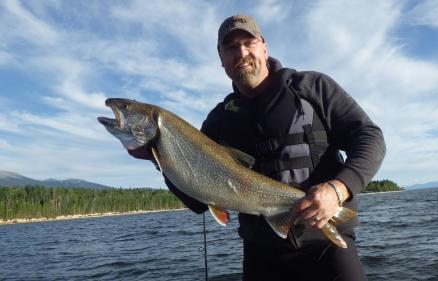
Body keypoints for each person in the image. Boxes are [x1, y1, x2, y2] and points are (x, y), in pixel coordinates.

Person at [132, 14, 385, 281]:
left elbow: (370, 137)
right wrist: (155, 155)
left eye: (248, 42)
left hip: (327, 248)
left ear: (264, 46)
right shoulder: (218, 121)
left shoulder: (312, 87)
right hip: (261, 257)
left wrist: (338, 189)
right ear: (221, 59)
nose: (241, 52)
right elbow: (196, 200)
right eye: (230, 47)